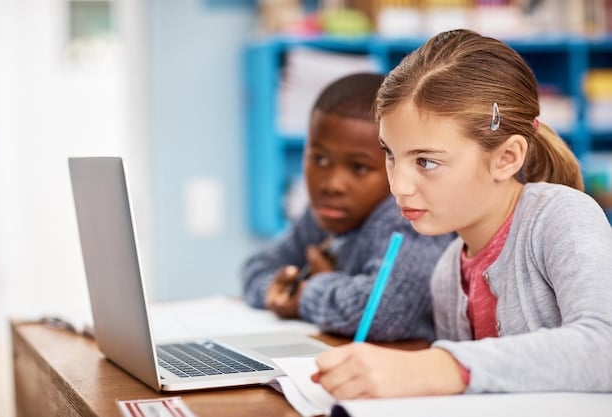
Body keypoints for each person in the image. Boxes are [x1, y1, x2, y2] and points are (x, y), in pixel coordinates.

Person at [313, 29, 612, 398]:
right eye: (391, 154)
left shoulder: (561, 218)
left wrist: (440, 366)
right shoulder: (447, 271)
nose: (399, 187)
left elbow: (605, 349)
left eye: (426, 161)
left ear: (506, 157)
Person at [241, 72, 455, 342]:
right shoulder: (325, 213)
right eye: (319, 159)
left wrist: (308, 293)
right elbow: (257, 267)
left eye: (359, 167)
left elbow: (384, 313)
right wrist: (279, 289)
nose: (332, 184)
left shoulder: (407, 219)